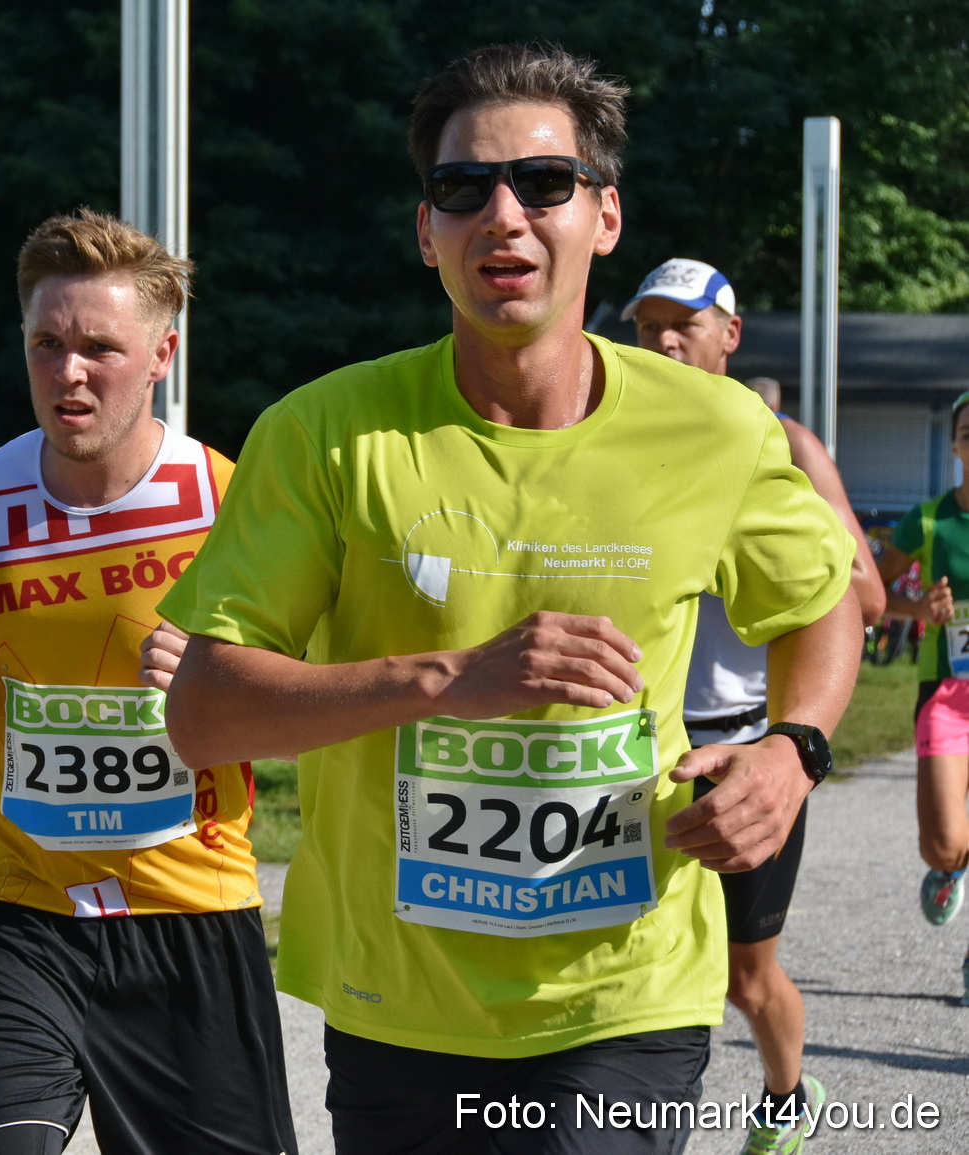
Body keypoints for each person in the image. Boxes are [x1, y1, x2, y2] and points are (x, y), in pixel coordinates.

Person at [158, 43, 861, 1155]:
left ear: (605, 216)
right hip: (399, 1000)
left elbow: (823, 603)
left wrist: (793, 751)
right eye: (460, 189)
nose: (504, 215)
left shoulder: (716, 430)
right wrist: (451, 679)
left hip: (627, 993)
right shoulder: (327, 433)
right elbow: (204, 715)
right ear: (423, 230)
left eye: (543, 183)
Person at [0, 209, 298, 1155]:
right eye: (47, 344)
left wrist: (219, 683)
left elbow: (305, 693)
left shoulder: (225, 497)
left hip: (189, 919)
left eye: (99, 348)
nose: (68, 372)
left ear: (162, 353)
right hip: (23, 913)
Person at [627, 258, 886, 1153]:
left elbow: (869, 597)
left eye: (683, 323)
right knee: (634, 973)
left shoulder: (784, 443)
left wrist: (756, 558)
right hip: (640, 754)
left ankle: (787, 1096)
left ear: (729, 336)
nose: (662, 339)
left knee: (745, 975)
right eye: (647, 323)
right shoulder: (613, 436)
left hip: (743, 749)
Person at [871, 388, 969, 1006]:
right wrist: (917, 608)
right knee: (942, 840)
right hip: (947, 694)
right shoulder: (928, 519)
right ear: (957, 444)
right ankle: (950, 866)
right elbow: (870, 589)